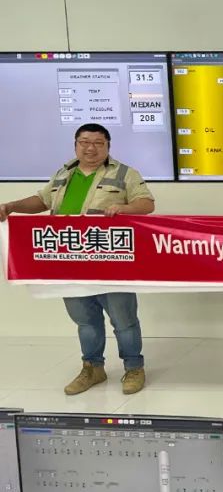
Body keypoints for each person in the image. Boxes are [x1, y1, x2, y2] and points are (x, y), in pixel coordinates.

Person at [0, 124, 155, 396]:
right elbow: (42, 201)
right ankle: (93, 368)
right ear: (76, 145)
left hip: (111, 262)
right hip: (70, 262)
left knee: (124, 319)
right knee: (85, 320)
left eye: (98, 143)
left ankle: (134, 368)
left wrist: (124, 208)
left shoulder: (124, 173)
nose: (90, 148)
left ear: (108, 146)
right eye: (84, 142)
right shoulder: (64, 174)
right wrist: (12, 207)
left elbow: (146, 204)